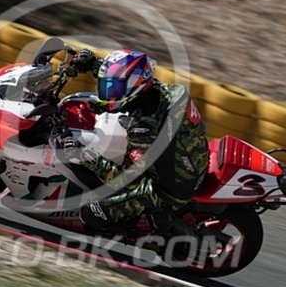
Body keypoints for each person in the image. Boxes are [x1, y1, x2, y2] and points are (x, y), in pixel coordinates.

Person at [63, 48, 210, 239]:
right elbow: (127, 80)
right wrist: (94, 64)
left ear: (134, 86)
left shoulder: (144, 129)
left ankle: (152, 224)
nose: (109, 94)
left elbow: (124, 180)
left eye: (113, 89)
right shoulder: (165, 91)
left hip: (169, 191)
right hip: (193, 159)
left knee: (90, 214)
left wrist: (83, 155)